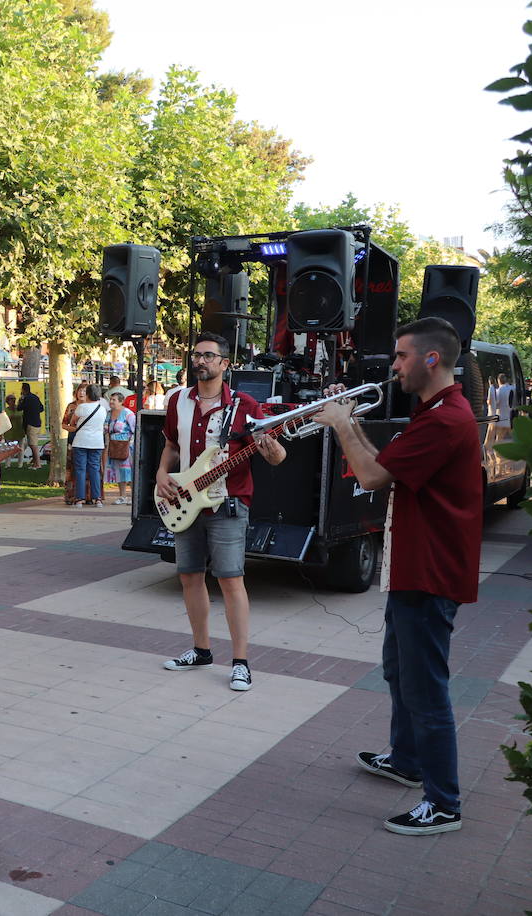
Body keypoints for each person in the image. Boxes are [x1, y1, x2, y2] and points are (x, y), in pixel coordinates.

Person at [313, 317, 480, 836]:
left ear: (432, 359)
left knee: (427, 690)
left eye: (402, 356)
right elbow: (385, 462)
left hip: (429, 573)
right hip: (412, 565)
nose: (394, 366)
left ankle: (443, 803)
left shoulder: (446, 420)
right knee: (398, 671)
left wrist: (341, 423)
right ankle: (406, 759)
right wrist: (351, 420)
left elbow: (370, 475)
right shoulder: (432, 411)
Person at [155, 332, 286, 692]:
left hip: (228, 502)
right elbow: (169, 443)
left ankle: (240, 662)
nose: (200, 361)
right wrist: (162, 473)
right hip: (186, 500)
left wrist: (270, 447)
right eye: (196, 355)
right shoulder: (178, 400)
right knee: (189, 576)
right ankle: (201, 650)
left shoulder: (243, 406)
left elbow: (276, 457)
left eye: (209, 356)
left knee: (230, 580)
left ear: (224, 364)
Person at [64, 384, 106, 506]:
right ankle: (97, 498)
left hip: (81, 441)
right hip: (97, 443)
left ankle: (79, 499)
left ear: (87, 394)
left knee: (80, 470)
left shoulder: (81, 408)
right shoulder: (102, 409)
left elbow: (73, 423)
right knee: (95, 469)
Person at [104, 391, 136, 505]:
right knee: (118, 471)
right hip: (114, 446)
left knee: (130, 471)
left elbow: (135, 429)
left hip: (126, 446)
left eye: (114, 400)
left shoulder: (128, 413)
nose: (111, 402)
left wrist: (130, 443)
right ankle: (122, 496)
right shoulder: (109, 413)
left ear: (121, 402)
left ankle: (133, 497)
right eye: (111, 400)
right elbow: (105, 428)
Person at [19, 383, 45, 468]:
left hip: (31, 424)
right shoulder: (35, 397)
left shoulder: (26, 398)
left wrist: (21, 400)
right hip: (37, 422)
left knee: (33, 444)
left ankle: (38, 464)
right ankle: (34, 460)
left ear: (23, 389)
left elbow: (19, 408)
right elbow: (42, 408)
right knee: (33, 442)